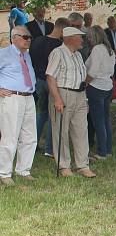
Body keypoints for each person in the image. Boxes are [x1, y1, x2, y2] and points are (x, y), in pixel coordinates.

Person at [46, 27, 95, 178]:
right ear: (70, 38)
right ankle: (64, 166)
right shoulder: (58, 53)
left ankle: (82, 165)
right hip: (63, 92)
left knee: (81, 130)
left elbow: (82, 78)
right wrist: (57, 99)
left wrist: (85, 99)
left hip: (79, 94)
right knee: (61, 130)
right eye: (79, 37)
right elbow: (50, 77)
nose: (82, 40)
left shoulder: (78, 55)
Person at [0, 27, 37, 185]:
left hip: (28, 97)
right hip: (12, 98)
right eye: (25, 37)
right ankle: (4, 173)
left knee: (30, 136)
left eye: (30, 37)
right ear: (14, 37)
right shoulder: (4, 53)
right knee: (10, 136)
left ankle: (23, 170)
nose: (28, 39)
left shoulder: (27, 55)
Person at [29, 17, 67, 157]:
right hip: (52, 82)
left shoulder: (37, 40)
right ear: (62, 29)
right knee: (54, 116)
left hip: (38, 80)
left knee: (41, 113)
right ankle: (49, 149)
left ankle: (33, 144)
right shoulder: (59, 46)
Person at [85, 26, 116, 160]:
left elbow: (93, 71)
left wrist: (84, 83)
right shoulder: (110, 51)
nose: (89, 39)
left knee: (98, 121)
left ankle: (102, 152)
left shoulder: (97, 49)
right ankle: (107, 149)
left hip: (96, 87)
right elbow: (112, 71)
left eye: (90, 37)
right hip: (107, 87)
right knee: (105, 119)